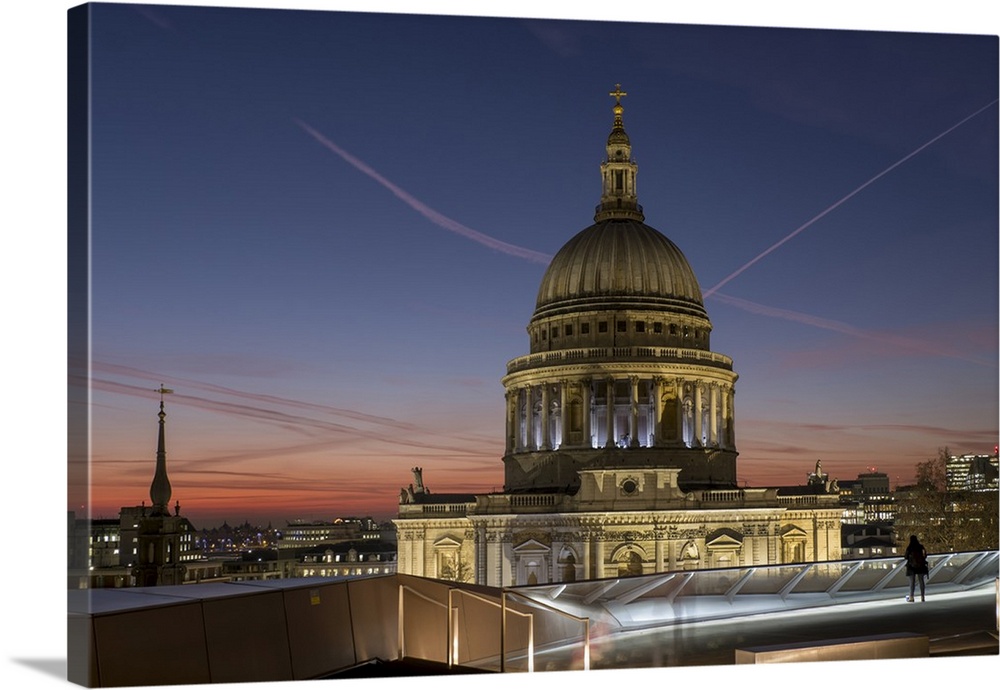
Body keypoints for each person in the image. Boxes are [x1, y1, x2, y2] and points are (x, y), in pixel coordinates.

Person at [904, 534, 929, 602]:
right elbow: (925, 555)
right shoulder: (921, 547)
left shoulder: (909, 547)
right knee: (921, 581)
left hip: (911, 567)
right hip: (921, 566)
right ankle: (922, 597)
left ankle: (911, 597)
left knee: (912, 582)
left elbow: (906, 557)